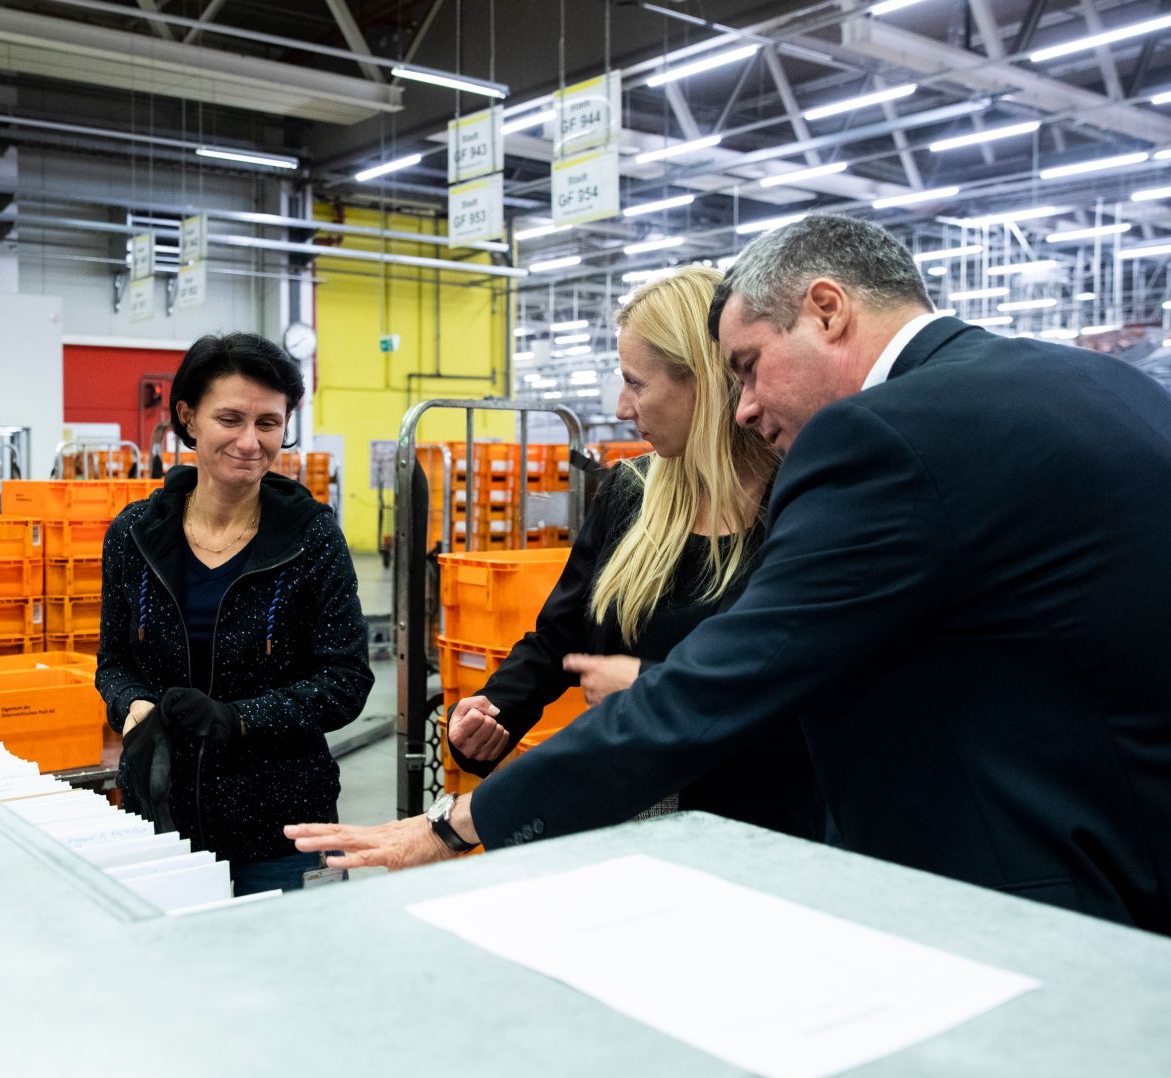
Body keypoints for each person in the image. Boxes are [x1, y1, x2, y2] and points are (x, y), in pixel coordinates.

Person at [290, 214, 1171, 936]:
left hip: (1021, 903)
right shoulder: (1111, 388)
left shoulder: (882, 437)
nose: (745, 405)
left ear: (826, 309)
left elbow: (716, 690)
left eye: (747, 366)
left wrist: (452, 826)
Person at [448, 266, 821, 839]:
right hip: (624, 810)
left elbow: (796, 687)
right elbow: (560, 636)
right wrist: (493, 709)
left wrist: (649, 684)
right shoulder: (632, 492)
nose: (622, 408)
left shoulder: (800, 508)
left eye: (636, 383)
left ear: (703, 381)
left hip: (753, 826)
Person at [96, 332, 372, 895]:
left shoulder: (311, 537)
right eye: (231, 419)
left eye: (268, 423)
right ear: (188, 418)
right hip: (159, 818)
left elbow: (345, 681)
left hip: (280, 830)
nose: (250, 442)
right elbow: (113, 662)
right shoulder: (134, 534)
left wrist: (241, 718)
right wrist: (133, 704)